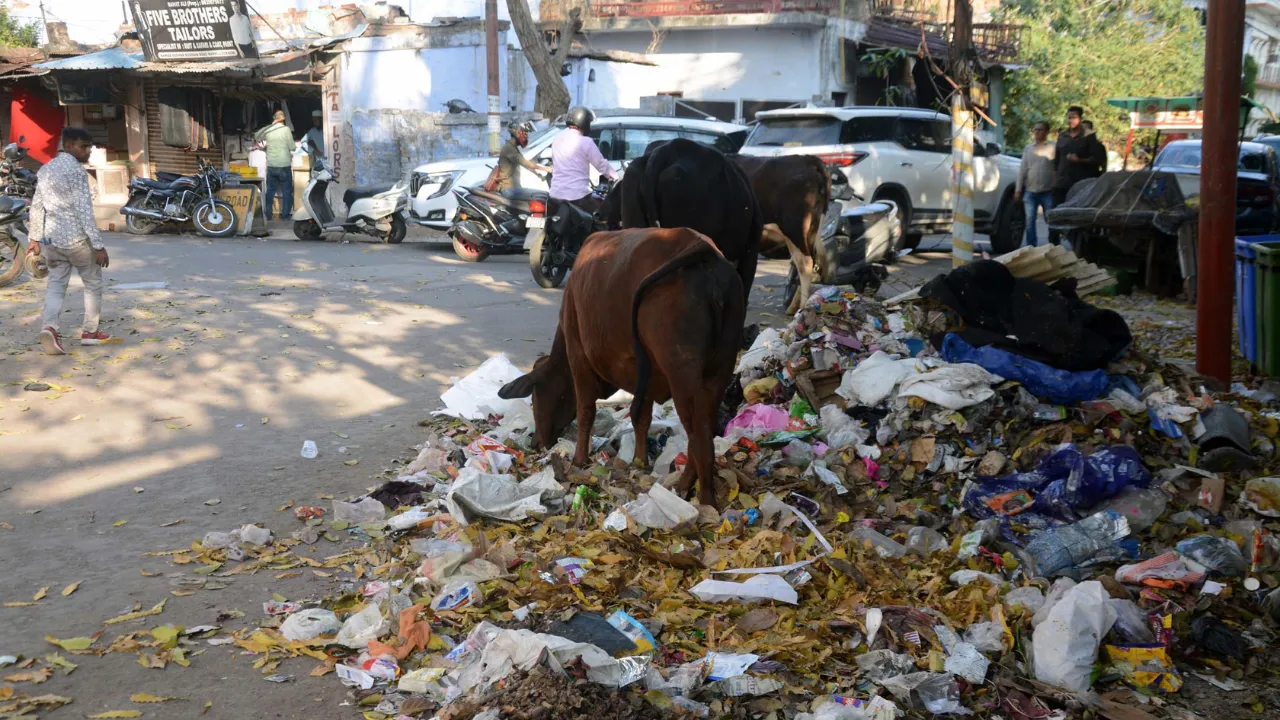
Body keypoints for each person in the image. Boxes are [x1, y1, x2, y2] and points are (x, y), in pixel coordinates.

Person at [26, 127, 112, 355]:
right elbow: (85, 212)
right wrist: (99, 246)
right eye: (83, 146)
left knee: (56, 286)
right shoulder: (76, 172)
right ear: (69, 146)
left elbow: (37, 206)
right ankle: (90, 333)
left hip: (53, 241)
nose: (88, 151)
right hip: (78, 241)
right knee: (93, 284)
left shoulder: (45, 169)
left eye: (89, 146)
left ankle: (49, 327)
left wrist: (34, 238)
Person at [1051, 105, 1106, 245]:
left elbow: (1097, 159)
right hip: (1062, 182)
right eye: (1069, 117)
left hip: (1080, 183)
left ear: (1080, 119)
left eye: (1074, 117)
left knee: (1077, 219)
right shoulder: (1063, 136)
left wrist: (1080, 160)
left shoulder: (1089, 137)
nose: (1071, 120)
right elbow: (1056, 160)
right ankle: (1052, 246)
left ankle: (1078, 248)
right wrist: (1054, 178)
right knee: (1055, 215)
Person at [549, 107, 618, 210]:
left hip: (555, 195)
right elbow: (601, 164)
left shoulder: (557, 138)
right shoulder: (586, 142)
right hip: (577, 196)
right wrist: (616, 177)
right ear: (584, 122)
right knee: (601, 216)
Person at [1015, 120, 1055, 247]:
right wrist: (1018, 189)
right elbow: (1023, 170)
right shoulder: (1028, 148)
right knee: (1029, 221)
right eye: (1035, 130)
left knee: (1051, 220)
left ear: (1047, 132)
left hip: (1048, 191)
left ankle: (1053, 245)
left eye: (1040, 129)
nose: (1037, 132)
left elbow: (1057, 169)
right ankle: (1031, 247)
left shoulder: (1053, 147)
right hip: (1030, 191)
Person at [487, 121, 550, 192]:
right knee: (538, 196)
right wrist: (547, 169)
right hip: (509, 188)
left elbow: (525, 165)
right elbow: (526, 163)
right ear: (518, 132)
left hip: (513, 188)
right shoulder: (509, 149)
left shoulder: (512, 147)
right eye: (525, 133)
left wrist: (538, 175)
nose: (526, 136)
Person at [255, 110, 295, 220]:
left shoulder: (269, 130)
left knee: (270, 191)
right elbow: (292, 147)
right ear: (283, 119)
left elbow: (256, 136)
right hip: (284, 166)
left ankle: (268, 215)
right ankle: (286, 216)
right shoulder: (286, 130)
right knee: (287, 192)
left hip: (272, 166)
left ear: (274, 119)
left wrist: (270, 126)